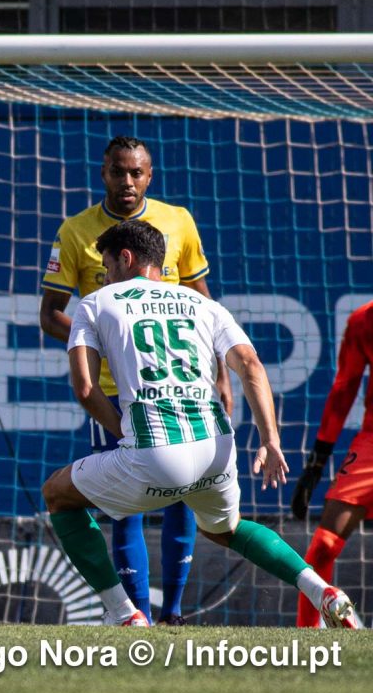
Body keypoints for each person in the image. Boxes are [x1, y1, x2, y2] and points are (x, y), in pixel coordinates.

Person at [41, 219, 356, 628]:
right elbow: (251, 365)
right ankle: (323, 591)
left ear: (125, 258)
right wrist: (270, 439)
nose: (105, 277)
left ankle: (123, 614)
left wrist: (123, 432)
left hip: (154, 454)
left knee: (57, 495)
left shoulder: (97, 302)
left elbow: (85, 387)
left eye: (106, 268)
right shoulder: (203, 304)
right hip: (216, 450)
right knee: (227, 529)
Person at [39, 136, 232, 625]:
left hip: (178, 382)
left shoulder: (178, 221)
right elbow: (50, 314)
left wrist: (219, 371)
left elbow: (206, 305)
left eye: (136, 173)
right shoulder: (76, 231)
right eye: (118, 172)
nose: (127, 182)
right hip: (114, 388)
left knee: (184, 495)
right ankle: (136, 613)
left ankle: (174, 613)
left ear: (150, 176)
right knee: (123, 505)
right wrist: (103, 341)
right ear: (102, 173)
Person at [292, 299, 373, 627]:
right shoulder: (363, 321)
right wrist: (316, 463)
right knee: (323, 546)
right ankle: (307, 640)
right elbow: (343, 390)